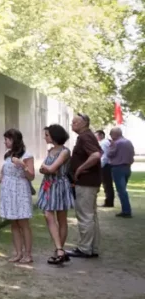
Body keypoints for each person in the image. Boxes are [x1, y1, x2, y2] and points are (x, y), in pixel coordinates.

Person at [0, 129, 35, 264]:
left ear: (14, 140)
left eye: (7, 139)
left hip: (20, 190)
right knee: (13, 223)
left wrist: (22, 165)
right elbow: (2, 174)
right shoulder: (7, 156)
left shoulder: (27, 155)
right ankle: (18, 253)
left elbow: (31, 176)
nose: (5, 142)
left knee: (23, 222)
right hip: (8, 191)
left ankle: (28, 254)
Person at [67, 113, 102, 259]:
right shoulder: (87, 136)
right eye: (72, 122)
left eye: (75, 122)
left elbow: (95, 155)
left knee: (85, 215)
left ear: (84, 123)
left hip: (86, 182)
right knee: (91, 215)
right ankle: (91, 247)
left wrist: (80, 169)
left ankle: (84, 248)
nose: (72, 124)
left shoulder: (85, 137)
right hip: (89, 181)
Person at [39, 125, 75, 265]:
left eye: (47, 135)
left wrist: (47, 169)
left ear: (54, 136)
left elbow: (52, 168)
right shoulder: (51, 150)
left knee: (61, 218)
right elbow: (44, 169)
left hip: (60, 186)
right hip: (49, 186)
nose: (45, 137)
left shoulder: (65, 151)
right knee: (48, 215)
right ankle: (60, 249)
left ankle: (59, 250)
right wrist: (47, 169)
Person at [107, 127, 135, 218]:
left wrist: (110, 146)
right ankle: (126, 209)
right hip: (127, 167)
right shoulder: (128, 142)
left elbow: (109, 154)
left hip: (118, 168)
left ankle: (126, 210)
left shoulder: (116, 143)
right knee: (123, 190)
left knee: (121, 191)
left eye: (111, 135)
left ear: (114, 134)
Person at [98, 130, 114, 208]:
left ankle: (109, 202)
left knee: (107, 184)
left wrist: (100, 166)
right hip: (107, 165)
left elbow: (104, 156)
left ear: (101, 135)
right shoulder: (105, 142)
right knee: (107, 184)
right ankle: (109, 201)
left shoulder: (103, 143)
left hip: (105, 166)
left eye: (96, 135)